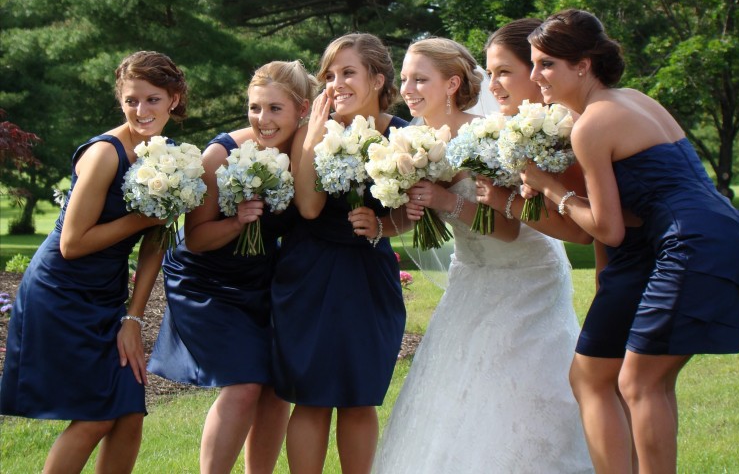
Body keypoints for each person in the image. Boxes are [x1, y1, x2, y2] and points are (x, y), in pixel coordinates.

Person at [520, 9, 739, 474]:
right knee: (648, 382)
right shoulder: (633, 99)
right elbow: (646, 200)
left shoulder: (592, 126)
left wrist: (547, 186)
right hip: (724, 230)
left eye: (546, 64)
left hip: (691, 242)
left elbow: (607, 229)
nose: (535, 76)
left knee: (638, 383)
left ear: (583, 65)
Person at [373, 36, 593, 473]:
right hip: (470, 275)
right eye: (404, 79)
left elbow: (510, 228)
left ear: (452, 83)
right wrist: (406, 208)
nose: (409, 89)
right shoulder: (411, 141)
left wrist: (442, 201)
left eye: (420, 79)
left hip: (523, 272)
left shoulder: (485, 136)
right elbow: (425, 213)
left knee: (521, 387)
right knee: (458, 386)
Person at [0, 51, 187, 473]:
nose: (141, 111)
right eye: (131, 100)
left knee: (129, 409)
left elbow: (157, 240)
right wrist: (142, 217)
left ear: (174, 99)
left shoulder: (171, 157)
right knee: (98, 413)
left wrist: (134, 320)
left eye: (153, 100)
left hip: (106, 293)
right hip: (60, 292)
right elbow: (72, 243)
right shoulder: (105, 153)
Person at [147, 61, 315, 474]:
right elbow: (198, 238)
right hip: (205, 279)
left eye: (275, 109)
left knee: (276, 388)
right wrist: (237, 220)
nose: (263, 119)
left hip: (261, 279)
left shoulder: (306, 156)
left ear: (302, 110)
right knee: (243, 387)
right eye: (255, 107)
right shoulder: (219, 155)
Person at [271, 33, 408, 474]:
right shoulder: (313, 131)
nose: (336, 83)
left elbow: (416, 214)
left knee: (359, 395)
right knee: (311, 398)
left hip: (370, 274)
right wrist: (312, 136)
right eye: (329, 74)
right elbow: (308, 207)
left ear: (377, 78)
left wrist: (384, 225)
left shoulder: (403, 135)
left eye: (348, 72)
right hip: (310, 271)